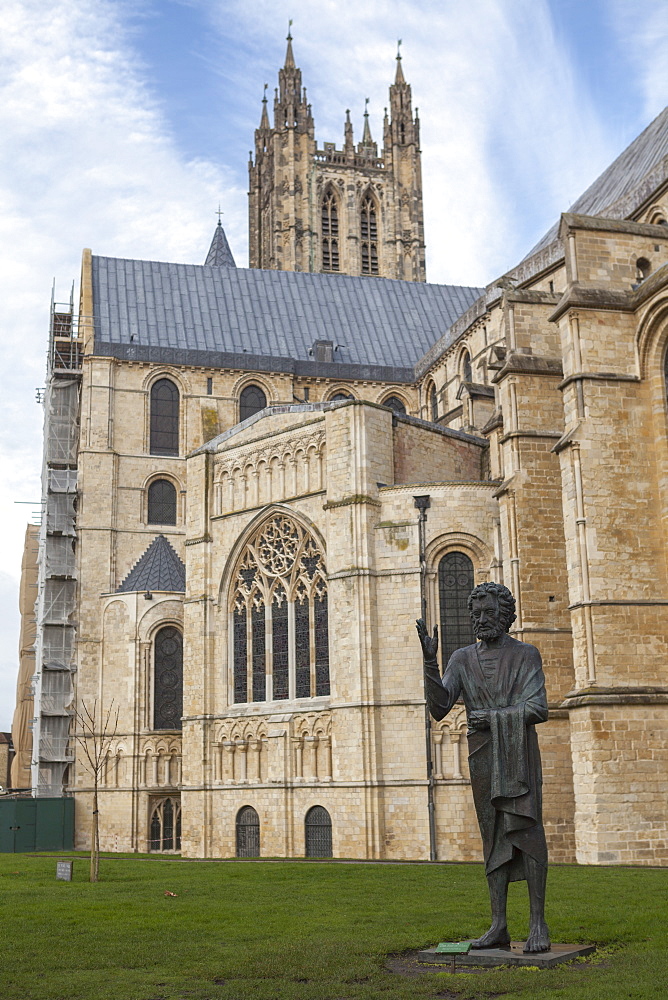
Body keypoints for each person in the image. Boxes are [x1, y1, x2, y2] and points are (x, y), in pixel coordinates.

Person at [416, 581, 550, 953]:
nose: (481, 620)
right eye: (475, 614)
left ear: (505, 615)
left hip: (519, 754)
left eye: (489, 612)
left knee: (528, 831)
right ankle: (499, 925)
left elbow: (538, 707)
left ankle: (538, 922)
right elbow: (440, 707)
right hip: (483, 758)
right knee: (492, 838)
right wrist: (430, 661)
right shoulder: (461, 659)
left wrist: (492, 717)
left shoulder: (526, 655)